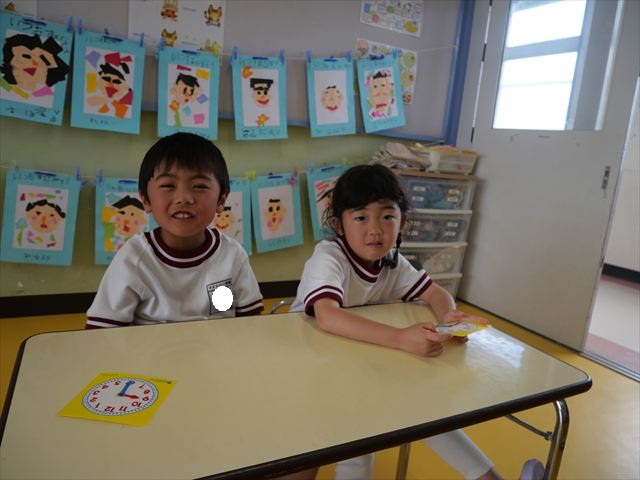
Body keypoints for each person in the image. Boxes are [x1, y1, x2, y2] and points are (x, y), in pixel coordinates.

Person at [290, 164, 544, 480]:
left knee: (422, 413)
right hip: (308, 371)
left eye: (387, 216)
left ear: (403, 222)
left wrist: (448, 317)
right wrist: (400, 338)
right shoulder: (329, 257)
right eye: (360, 217)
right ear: (338, 225)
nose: (375, 229)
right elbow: (327, 316)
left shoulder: (393, 263)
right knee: (358, 432)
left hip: (358, 364)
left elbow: (436, 293)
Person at [86, 132, 263, 328]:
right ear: (145, 199)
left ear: (221, 200)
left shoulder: (232, 255)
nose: (183, 198)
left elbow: (252, 324)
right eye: (168, 185)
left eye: (199, 186)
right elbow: (101, 332)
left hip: (220, 346)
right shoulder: (133, 258)